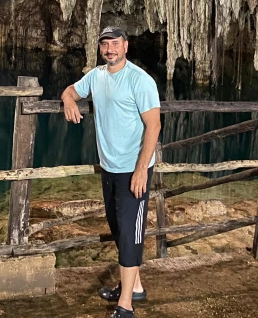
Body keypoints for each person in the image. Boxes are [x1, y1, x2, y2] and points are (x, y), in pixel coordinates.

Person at [61, 26, 162, 318]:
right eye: (105, 44)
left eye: (115, 43)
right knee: (119, 229)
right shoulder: (96, 76)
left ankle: (126, 305)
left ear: (126, 46)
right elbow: (70, 90)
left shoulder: (140, 81)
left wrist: (142, 169)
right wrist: (68, 101)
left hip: (134, 169)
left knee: (130, 234)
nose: (110, 49)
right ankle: (136, 287)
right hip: (109, 168)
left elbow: (154, 126)